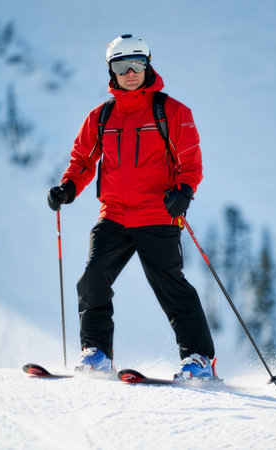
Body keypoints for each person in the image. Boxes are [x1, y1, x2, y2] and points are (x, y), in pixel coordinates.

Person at [47, 34, 215, 380]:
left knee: (171, 287)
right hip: (114, 214)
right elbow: (82, 159)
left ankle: (198, 359)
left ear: (147, 65)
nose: (130, 73)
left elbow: (190, 162)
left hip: (157, 214)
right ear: (111, 71)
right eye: (121, 66)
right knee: (92, 279)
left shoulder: (172, 112)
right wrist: (68, 187)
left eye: (136, 64)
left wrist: (184, 191)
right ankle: (96, 353)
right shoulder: (101, 116)